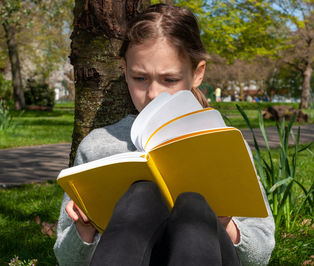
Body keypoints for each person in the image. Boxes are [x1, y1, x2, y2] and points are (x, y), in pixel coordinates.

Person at [54, 4, 275, 266]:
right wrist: (85, 229)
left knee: (194, 205)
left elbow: (261, 254)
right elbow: (66, 260)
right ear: (125, 71)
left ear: (197, 73)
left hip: (205, 253)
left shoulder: (223, 144)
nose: (153, 94)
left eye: (169, 80)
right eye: (140, 78)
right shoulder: (97, 147)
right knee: (142, 194)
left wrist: (224, 223)